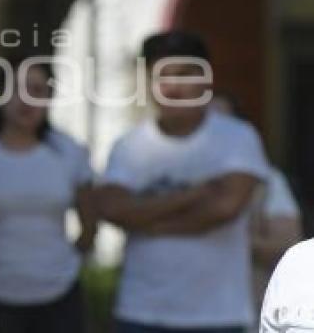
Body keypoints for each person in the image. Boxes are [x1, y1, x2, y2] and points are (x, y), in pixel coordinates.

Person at [98, 31, 269, 333]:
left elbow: (225, 209)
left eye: (184, 75)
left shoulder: (237, 138)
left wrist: (148, 220)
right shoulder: (128, 146)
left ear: (206, 80)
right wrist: (195, 194)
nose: (173, 87)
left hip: (218, 316)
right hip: (140, 312)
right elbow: (113, 209)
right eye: (162, 76)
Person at [0, 62, 96, 333]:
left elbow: (90, 225)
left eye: (37, 90)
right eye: (19, 89)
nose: (27, 100)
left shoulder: (70, 152)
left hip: (61, 297)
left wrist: (65, 263)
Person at [211, 93, 303, 323]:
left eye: (223, 123)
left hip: (245, 312)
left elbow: (287, 245)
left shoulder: (268, 181)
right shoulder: (174, 175)